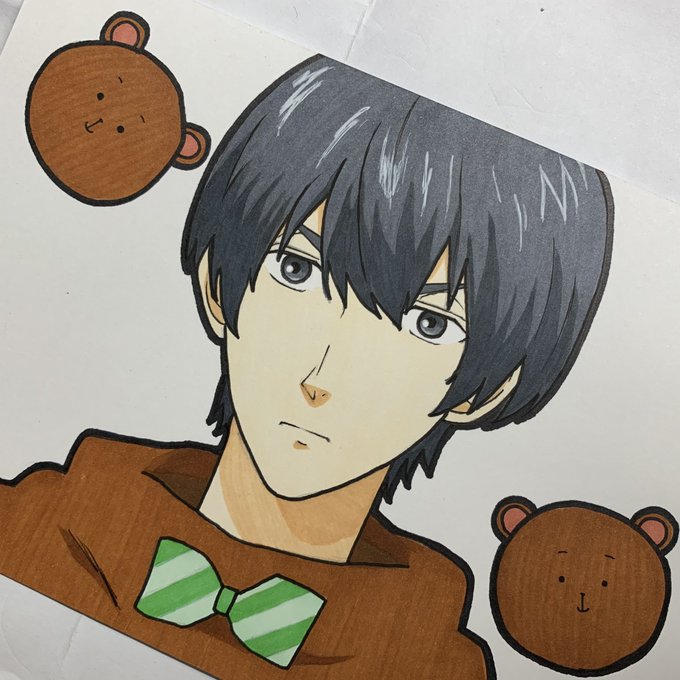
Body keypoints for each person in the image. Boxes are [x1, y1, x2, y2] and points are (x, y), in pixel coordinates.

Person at [0, 55, 613, 678]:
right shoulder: (38, 526)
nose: (322, 376)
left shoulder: (426, 663)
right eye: (296, 268)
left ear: (490, 388)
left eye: (428, 323)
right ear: (217, 284)